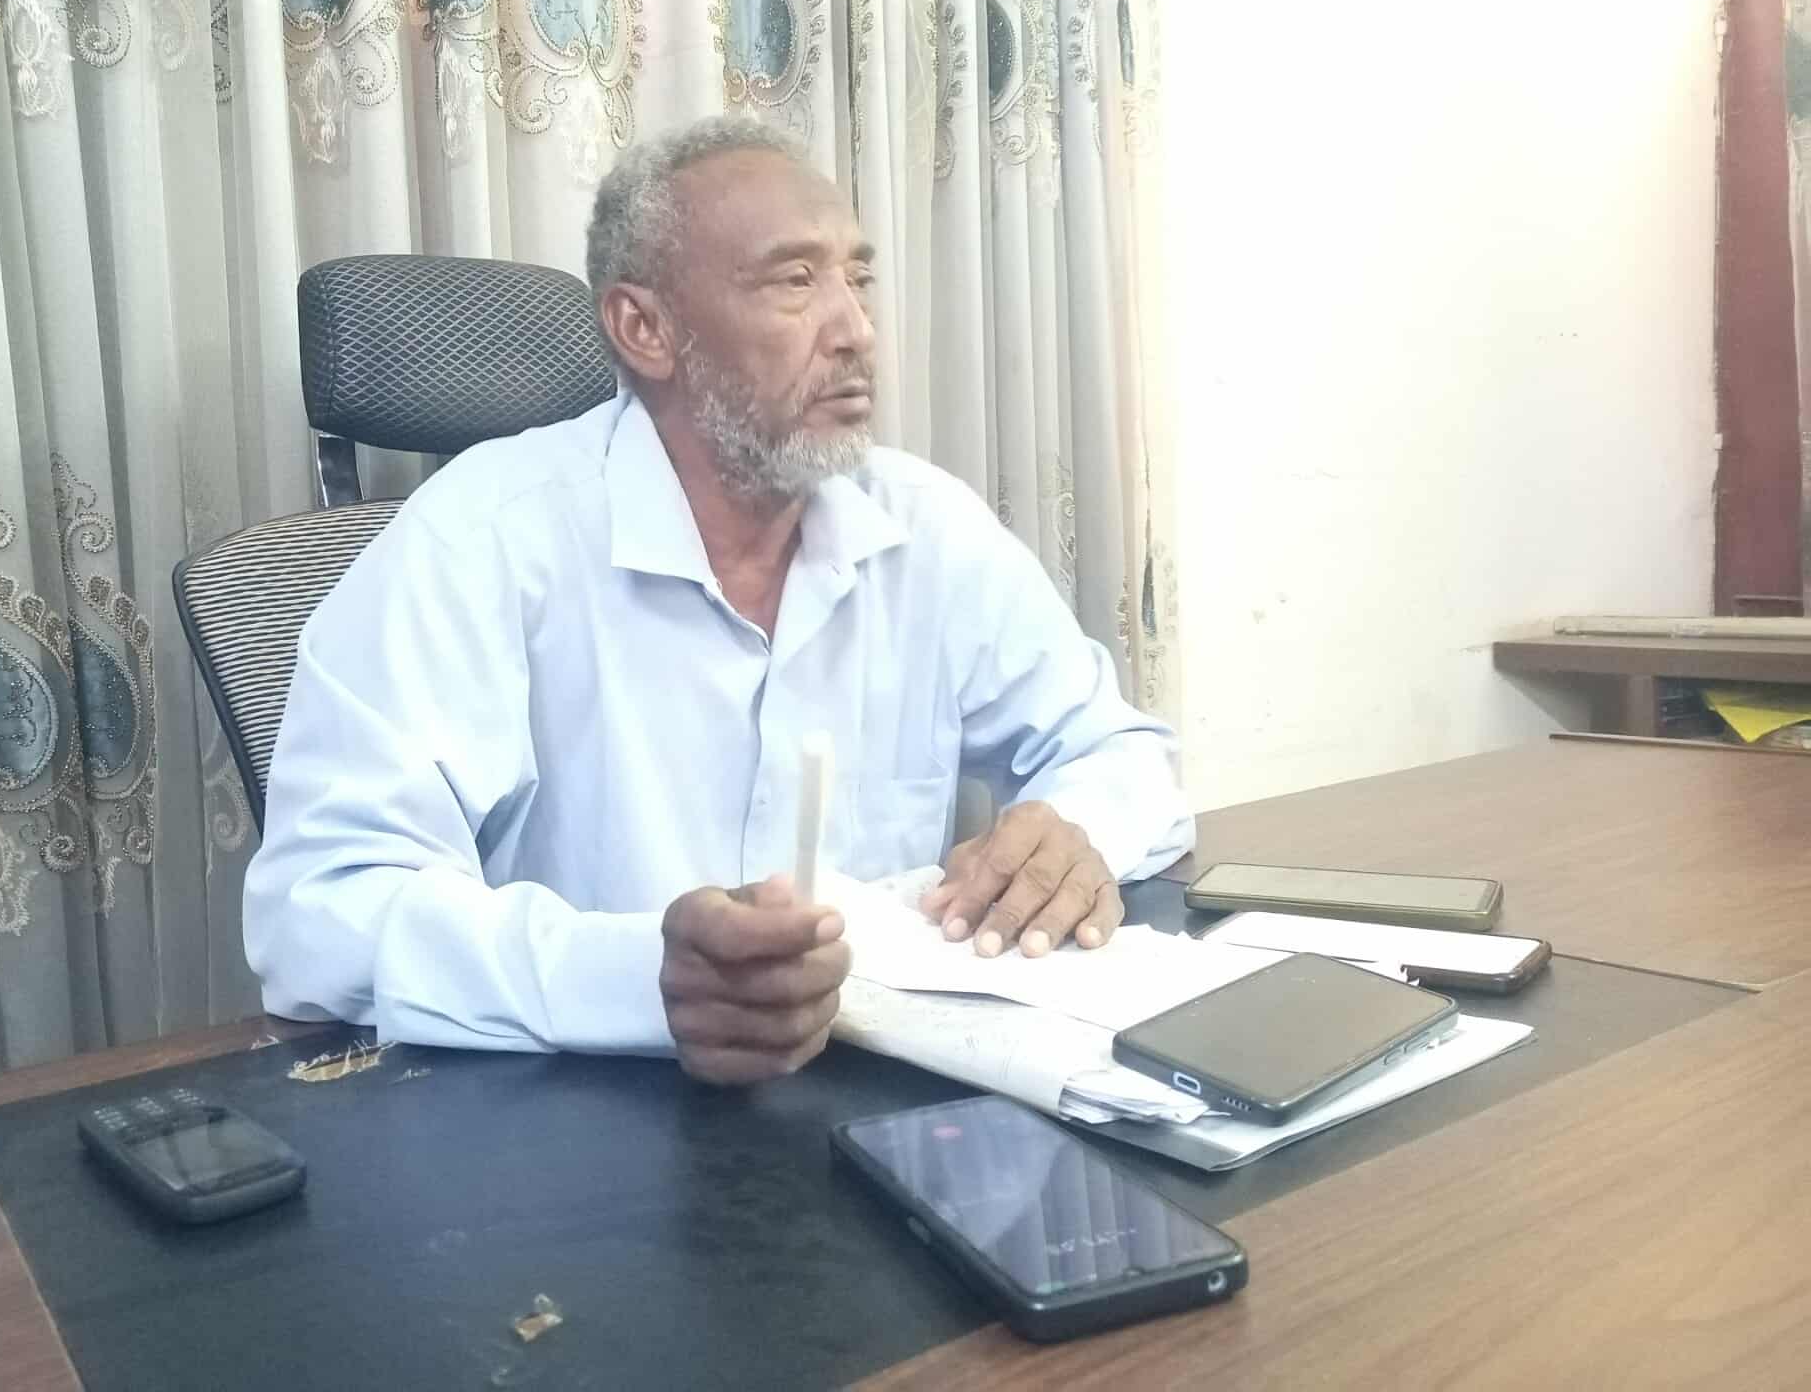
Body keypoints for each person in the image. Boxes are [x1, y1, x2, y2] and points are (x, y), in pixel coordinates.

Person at [244, 116, 1194, 1085]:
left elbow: (1121, 753)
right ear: (644, 329)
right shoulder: (477, 540)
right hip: (577, 1107)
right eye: (795, 282)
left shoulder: (924, 526)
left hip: (876, 1095)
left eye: (858, 279)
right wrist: (636, 980)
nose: (856, 332)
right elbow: (317, 917)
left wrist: (1071, 833)